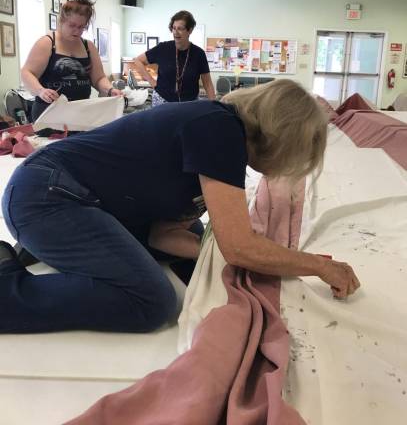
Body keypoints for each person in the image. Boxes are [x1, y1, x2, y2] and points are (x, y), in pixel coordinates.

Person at [0, 79, 360, 334]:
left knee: (199, 242)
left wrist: (231, 254)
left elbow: (164, 234)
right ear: (283, 135)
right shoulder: (220, 129)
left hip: (69, 195)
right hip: (47, 195)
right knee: (151, 301)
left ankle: (43, 245)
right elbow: (238, 247)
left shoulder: (218, 132)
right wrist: (315, 266)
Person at [21, 0, 122, 122]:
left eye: (81, 27)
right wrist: (40, 91)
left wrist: (110, 90)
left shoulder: (88, 46)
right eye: (72, 25)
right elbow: (27, 72)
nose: (77, 31)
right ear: (61, 21)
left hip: (81, 113)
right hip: (49, 115)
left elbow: (99, 78)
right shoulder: (47, 43)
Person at [133, 10, 216, 106]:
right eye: (174, 28)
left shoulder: (199, 54)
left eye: (180, 28)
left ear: (190, 30)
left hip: (189, 104)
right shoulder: (163, 48)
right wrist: (151, 81)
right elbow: (138, 60)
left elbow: (208, 83)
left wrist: (214, 106)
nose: (176, 32)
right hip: (162, 101)